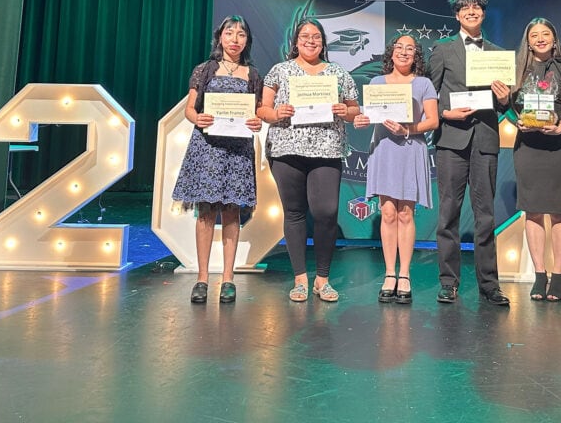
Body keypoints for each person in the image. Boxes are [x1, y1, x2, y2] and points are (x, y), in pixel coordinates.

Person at [256, 18, 360, 303]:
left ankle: (322, 279)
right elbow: (262, 109)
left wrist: (345, 111)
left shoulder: (338, 73)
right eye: (305, 36)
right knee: (294, 212)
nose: (310, 40)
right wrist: (276, 114)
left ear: (323, 42)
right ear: (296, 41)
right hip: (286, 149)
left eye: (316, 36)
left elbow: (355, 110)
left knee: (326, 211)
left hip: (327, 148)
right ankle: (301, 279)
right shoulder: (280, 71)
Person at [427, 0, 512, 306]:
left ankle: (489, 284)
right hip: (451, 138)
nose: (471, 12)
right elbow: (428, 94)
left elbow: (504, 105)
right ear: (457, 15)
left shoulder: (498, 54)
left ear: (484, 13)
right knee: (448, 213)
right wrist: (444, 113)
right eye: (465, 8)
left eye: (476, 7)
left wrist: (505, 98)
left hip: (485, 138)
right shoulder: (442, 49)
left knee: (485, 215)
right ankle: (448, 282)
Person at [171, 15, 264, 305]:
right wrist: (197, 117)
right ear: (220, 37)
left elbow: (258, 111)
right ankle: (202, 278)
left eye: (241, 34)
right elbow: (190, 108)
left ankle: (227, 279)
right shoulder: (204, 70)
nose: (235, 39)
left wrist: (256, 122)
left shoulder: (252, 74)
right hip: (207, 147)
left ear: (247, 41)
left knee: (232, 213)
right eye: (229, 33)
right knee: (206, 212)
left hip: (238, 151)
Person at [353, 34, 439, 305]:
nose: (404, 52)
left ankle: (405, 274)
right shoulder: (377, 83)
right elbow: (370, 116)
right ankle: (389, 273)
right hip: (384, 149)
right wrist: (361, 120)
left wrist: (408, 129)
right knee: (388, 213)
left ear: (416, 56)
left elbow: (433, 121)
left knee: (405, 213)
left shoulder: (424, 83)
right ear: (391, 53)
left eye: (409, 48)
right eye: (399, 47)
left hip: (411, 148)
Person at [509, 17, 561, 303]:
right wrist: (516, 121)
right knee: (533, 211)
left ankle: (558, 276)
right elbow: (508, 108)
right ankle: (540, 274)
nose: (540, 39)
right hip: (528, 147)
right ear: (527, 41)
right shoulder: (517, 71)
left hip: (558, 148)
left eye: (545, 34)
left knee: (559, 212)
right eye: (534, 35)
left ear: (554, 38)